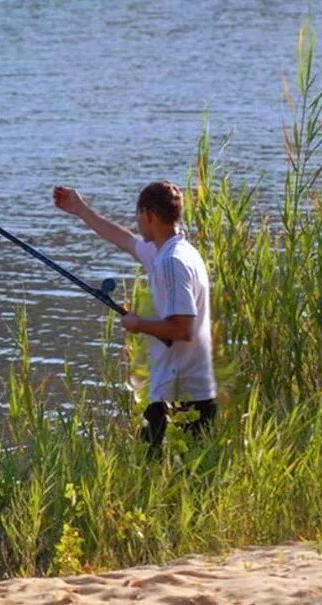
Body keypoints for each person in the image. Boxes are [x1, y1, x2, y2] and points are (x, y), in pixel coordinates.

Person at [53, 181, 216, 454]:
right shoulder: (174, 251)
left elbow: (182, 328)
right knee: (178, 483)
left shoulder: (172, 262)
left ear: (150, 215)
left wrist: (137, 324)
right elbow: (124, 239)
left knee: (158, 479)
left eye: (138, 215)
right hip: (184, 391)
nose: (137, 222)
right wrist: (80, 210)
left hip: (181, 397)